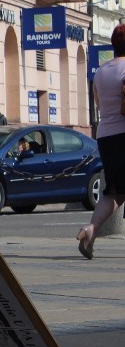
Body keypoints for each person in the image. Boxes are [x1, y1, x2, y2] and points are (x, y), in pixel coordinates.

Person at [76, 23, 125, 259]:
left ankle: (91, 230)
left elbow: (99, 105)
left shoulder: (101, 71)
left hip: (106, 136)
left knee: (114, 191)